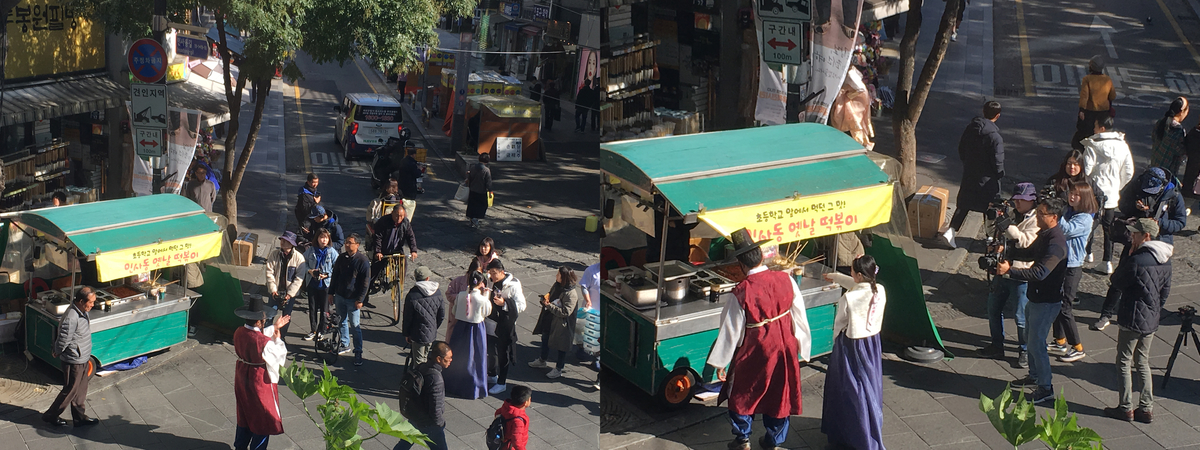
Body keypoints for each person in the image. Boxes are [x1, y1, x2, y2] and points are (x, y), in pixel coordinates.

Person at [708, 228, 812, 450]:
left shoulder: (742, 291)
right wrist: (803, 345)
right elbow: (800, 314)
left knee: (743, 392)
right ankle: (773, 440)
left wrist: (720, 361)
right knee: (779, 392)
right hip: (784, 347)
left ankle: (743, 439)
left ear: (742, 265)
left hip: (756, 349)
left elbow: (730, 330)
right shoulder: (787, 279)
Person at [995, 197, 1069, 405]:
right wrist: (1007, 252)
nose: (1036, 217)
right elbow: (1028, 253)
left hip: (1046, 301)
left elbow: (1040, 272)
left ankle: (1045, 387)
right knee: (1030, 337)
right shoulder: (1045, 234)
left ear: (1053, 217)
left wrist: (1010, 271)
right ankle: (1034, 376)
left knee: (1037, 345)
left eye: (1041, 214)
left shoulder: (1056, 244)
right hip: (1035, 297)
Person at [1094, 167, 1187, 330]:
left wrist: (1160, 223)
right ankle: (1106, 313)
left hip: (1160, 243)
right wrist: (1135, 208)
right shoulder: (1137, 185)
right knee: (1120, 276)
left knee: (1158, 282)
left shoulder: (1174, 196)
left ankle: (1153, 315)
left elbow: (1180, 222)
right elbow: (1122, 204)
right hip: (1136, 238)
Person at [1103, 219, 1172, 425]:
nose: (1132, 236)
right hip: (1151, 318)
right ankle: (1146, 408)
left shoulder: (1137, 259)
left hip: (1132, 316)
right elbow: (1165, 291)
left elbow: (1117, 281)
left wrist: (1128, 258)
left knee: (1124, 361)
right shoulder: (1165, 258)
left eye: (1135, 233)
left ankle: (1125, 407)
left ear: (1146, 236)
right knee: (1142, 361)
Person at [820, 255, 887, 450]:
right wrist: (836, 277)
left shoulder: (848, 298)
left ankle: (851, 432)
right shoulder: (880, 290)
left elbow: (839, 323)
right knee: (869, 385)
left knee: (849, 388)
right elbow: (859, 285)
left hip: (850, 345)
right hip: (872, 344)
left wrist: (834, 343)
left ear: (858, 274)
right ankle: (870, 429)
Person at [977, 182, 1039, 368]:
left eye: (1022, 200)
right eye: (1016, 199)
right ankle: (996, 345)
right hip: (1001, 269)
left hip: (1020, 273)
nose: (1018, 203)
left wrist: (1005, 223)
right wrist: (991, 218)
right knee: (993, 309)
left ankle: (1025, 351)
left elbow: (1023, 241)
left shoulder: (1036, 219)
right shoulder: (1011, 214)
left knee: (1021, 316)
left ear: (1032, 201)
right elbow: (992, 233)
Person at [943, 101, 1005, 249]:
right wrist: (999, 174)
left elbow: (962, 149)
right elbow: (998, 161)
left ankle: (951, 231)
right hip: (988, 179)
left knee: (963, 205)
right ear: (998, 116)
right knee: (990, 207)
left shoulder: (970, 129)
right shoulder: (995, 137)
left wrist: (968, 164)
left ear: (983, 111)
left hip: (970, 174)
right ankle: (990, 237)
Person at [232, 295, 289, 449]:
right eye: (263, 320)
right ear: (258, 321)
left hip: (242, 376)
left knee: (244, 411)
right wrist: (278, 340)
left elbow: (255, 336)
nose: (264, 322)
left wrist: (274, 327)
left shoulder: (238, 332)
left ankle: (240, 445)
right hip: (259, 380)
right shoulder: (265, 343)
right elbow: (279, 358)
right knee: (263, 415)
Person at [1049, 181, 1097, 364]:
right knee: (1056, 302)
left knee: (1065, 307)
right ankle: (1059, 341)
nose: (1071, 196)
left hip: (1072, 266)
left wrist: (1057, 213)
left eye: (1076, 195)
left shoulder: (1085, 218)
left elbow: (1066, 230)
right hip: (1062, 263)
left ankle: (1077, 347)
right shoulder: (1071, 212)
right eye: (1071, 193)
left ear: (1084, 198)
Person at [1082, 115, 1134, 273]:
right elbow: (1129, 171)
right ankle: (1107, 261)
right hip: (1111, 194)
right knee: (1108, 228)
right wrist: (1118, 186)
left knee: (1090, 223)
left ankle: (1087, 253)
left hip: (1094, 193)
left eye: (1096, 125)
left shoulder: (1092, 145)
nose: (1093, 128)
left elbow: (1087, 171)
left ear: (1102, 128)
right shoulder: (1123, 145)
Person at [42, 287, 99, 427]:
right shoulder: (71, 317)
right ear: (81, 301)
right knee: (70, 389)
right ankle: (51, 415)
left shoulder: (82, 311)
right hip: (74, 359)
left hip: (83, 356)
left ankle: (79, 417)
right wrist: (57, 351)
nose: (93, 305)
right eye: (90, 302)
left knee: (81, 389)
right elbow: (63, 338)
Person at [527, 266, 582, 384]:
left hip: (562, 324)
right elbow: (551, 296)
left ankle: (558, 368)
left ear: (564, 277)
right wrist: (546, 299)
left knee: (562, 346)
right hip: (550, 318)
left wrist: (549, 305)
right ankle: (542, 360)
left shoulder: (571, 294)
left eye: (558, 275)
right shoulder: (557, 285)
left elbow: (565, 312)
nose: (556, 276)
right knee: (545, 338)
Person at [394, 341, 452, 450]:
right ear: (439, 359)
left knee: (404, 444)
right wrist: (440, 424)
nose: (450, 360)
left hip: (415, 416)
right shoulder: (436, 379)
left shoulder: (421, 367)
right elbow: (436, 407)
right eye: (448, 358)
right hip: (428, 423)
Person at [446, 271, 492, 399]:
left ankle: (454, 385)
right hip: (476, 328)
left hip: (460, 327)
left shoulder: (461, 295)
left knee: (459, 356)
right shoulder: (482, 299)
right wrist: (486, 296)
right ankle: (475, 387)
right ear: (481, 283)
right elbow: (487, 312)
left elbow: (455, 311)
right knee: (476, 358)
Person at [485, 260, 526, 393]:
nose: (492, 276)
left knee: (503, 354)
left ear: (502, 272)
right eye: (490, 272)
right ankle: (492, 374)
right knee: (491, 351)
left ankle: (502, 382)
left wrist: (504, 303)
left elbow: (521, 305)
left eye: (494, 273)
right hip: (489, 322)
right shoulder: (489, 280)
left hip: (504, 325)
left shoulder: (513, 285)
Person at [331, 233, 371, 366]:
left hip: (353, 298)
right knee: (341, 321)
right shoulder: (341, 258)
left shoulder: (362, 261)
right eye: (346, 242)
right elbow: (335, 275)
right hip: (340, 295)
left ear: (357, 245)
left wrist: (360, 299)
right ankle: (344, 343)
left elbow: (365, 282)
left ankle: (358, 351)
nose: (346, 245)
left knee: (355, 325)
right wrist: (331, 293)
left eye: (350, 242)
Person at [371, 204, 418, 307]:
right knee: (374, 270)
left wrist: (413, 250)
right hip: (383, 250)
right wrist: (378, 251)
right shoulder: (383, 222)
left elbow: (410, 236)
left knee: (403, 263)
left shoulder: (405, 222)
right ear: (392, 213)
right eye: (397, 216)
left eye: (401, 216)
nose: (399, 218)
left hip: (397, 249)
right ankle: (365, 294)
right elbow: (377, 237)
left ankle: (399, 283)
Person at [265, 231, 307, 342]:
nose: (282, 242)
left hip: (289, 293)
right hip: (276, 291)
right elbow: (269, 272)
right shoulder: (274, 254)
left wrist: (290, 294)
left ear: (292, 244)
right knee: (269, 314)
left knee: (286, 316)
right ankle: (266, 336)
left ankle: (281, 337)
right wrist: (273, 290)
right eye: (282, 240)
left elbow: (299, 278)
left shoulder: (299, 258)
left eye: (286, 241)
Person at [403, 266, 446, 368]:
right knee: (425, 358)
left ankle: (419, 381)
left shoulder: (412, 295)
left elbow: (407, 317)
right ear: (428, 278)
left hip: (417, 333)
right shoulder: (437, 292)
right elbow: (442, 314)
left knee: (418, 361)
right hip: (431, 332)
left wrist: (407, 333)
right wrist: (434, 326)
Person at [1073, 55, 1116, 150]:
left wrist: (1082, 110)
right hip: (1104, 112)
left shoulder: (1087, 79)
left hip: (1089, 112)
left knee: (1084, 133)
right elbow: (1112, 95)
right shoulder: (1107, 79)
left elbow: (1084, 96)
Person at [302, 229, 338, 341]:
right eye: (322, 237)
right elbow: (302, 262)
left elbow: (337, 267)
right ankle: (313, 330)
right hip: (312, 283)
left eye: (326, 238)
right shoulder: (311, 250)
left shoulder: (332, 252)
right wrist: (310, 271)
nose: (324, 240)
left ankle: (321, 331)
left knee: (324, 309)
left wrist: (327, 275)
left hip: (325, 285)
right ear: (317, 238)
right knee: (312, 308)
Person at [444, 260, 482, 343]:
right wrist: (461, 297)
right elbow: (449, 294)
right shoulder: (458, 281)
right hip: (457, 314)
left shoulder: (481, 283)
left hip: (472, 316)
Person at [1151, 97, 1189, 177]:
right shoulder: (1178, 130)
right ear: (1181, 112)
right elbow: (1180, 151)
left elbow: (1153, 137)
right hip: (1167, 173)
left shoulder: (1161, 122)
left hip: (1154, 165)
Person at [494, 385, 531, 450]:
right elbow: (517, 442)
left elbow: (497, 413)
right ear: (526, 402)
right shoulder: (518, 421)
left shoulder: (506, 407)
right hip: (510, 447)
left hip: (502, 443)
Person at [466, 153, 493, 227]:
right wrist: (490, 190)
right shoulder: (486, 170)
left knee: (472, 204)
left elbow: (470, 178)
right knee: (482, 205)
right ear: (487, 161)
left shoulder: (473, 167)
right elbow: (488, 181)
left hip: (472, 189)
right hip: (481, 191)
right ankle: (475, 218)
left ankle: (471, 218)